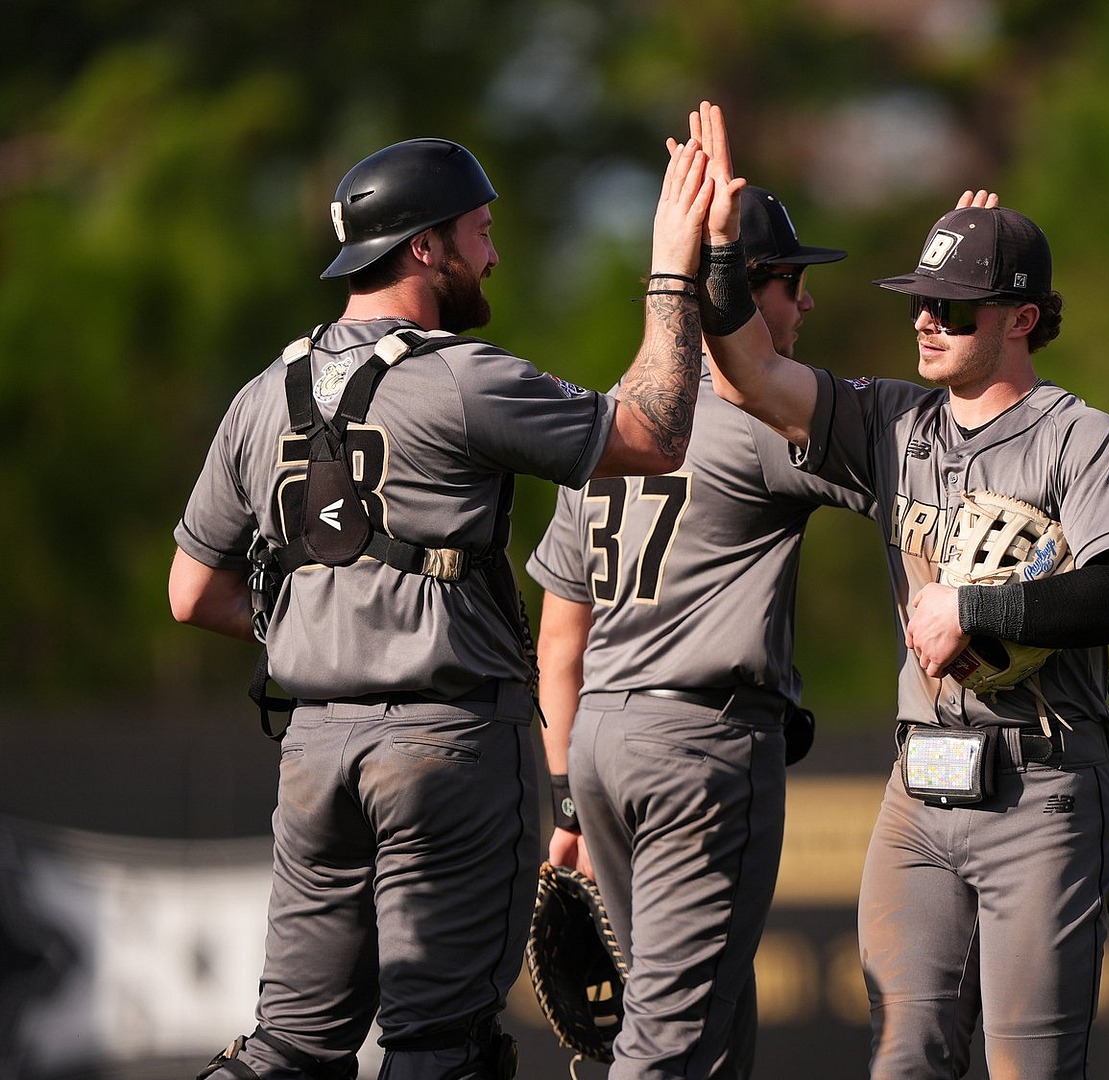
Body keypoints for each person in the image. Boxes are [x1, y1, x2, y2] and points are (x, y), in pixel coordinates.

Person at [168, 134, 716, 1080]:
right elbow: (656, 435)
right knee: (439, 1049)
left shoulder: (261, 396)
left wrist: (318, 617)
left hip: (314, 752)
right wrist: (673, 272)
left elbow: (190, 592)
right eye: (480, 231)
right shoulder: (464, 376)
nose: (493, 253)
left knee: (290, 1045)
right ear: (425, 247)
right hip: (446, 747)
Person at [682, 102, 1109, 1079]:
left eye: (954, 306)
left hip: (1042, 783)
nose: (926, 319)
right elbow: (748, 373)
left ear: (1022, 320)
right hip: (919, 788)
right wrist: (723, 255)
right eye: (921, 299)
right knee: (903, 1059)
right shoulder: (893, 423)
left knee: (1028, 1067)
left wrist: (977, 607)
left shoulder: (1083, 439)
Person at [526, 185, 869, 1078]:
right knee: (670, 1043)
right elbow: (902, 474)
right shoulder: (764, 422)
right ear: (742, 290)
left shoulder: (612, 417)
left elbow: (559, 643)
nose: (807, 303)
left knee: (707, 1022)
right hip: (700, 744)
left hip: (600, 744)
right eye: (793, 282)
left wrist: (567, 801)